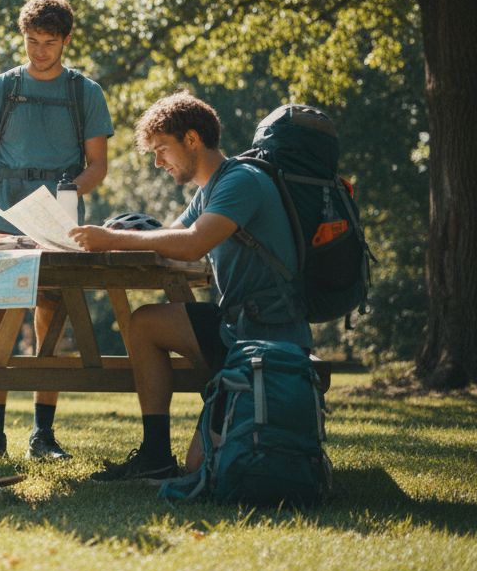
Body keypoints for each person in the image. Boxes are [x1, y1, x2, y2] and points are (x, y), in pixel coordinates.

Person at [71, 91, 309, 481]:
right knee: (145, 323)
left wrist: (111, 240)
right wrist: (119, 233)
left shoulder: (241, 181)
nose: (158, 162)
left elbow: (194, 243)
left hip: (269, 335)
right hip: (237, 324)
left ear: (193, 139)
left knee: (199, 468)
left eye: (162, 149)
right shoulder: (208, 192)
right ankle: (154, 455)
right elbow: (173, 240)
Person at [0, 0, 113, 461]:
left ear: (66, 40)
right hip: (2, 212)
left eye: (49, 42)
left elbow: (99, 165)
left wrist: (68, 196)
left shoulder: (83, 91)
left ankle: (42, 435)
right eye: (31, 41)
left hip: (58, 217)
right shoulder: (0, 88)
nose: (39, 51)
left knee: (50, 316)